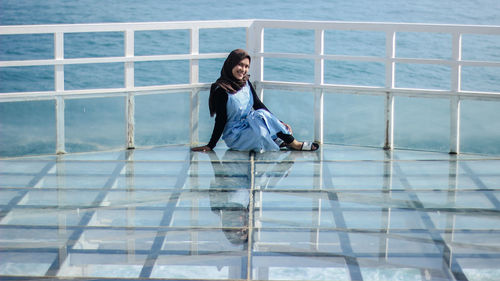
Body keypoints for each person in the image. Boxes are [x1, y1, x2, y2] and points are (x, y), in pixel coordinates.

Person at [191, 49, 319, 153]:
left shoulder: (245, 82)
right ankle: (290, 143)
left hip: (249, 126)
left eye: (246, 66)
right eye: (240, 64)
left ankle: (286, 141)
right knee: (260, 124)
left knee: (261, 115)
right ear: (231, 64)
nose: (243, 69)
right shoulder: (222, 90)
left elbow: (258, 104)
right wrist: (210, 145)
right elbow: (220, 120)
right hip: (236, 136)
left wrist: (278, 122)